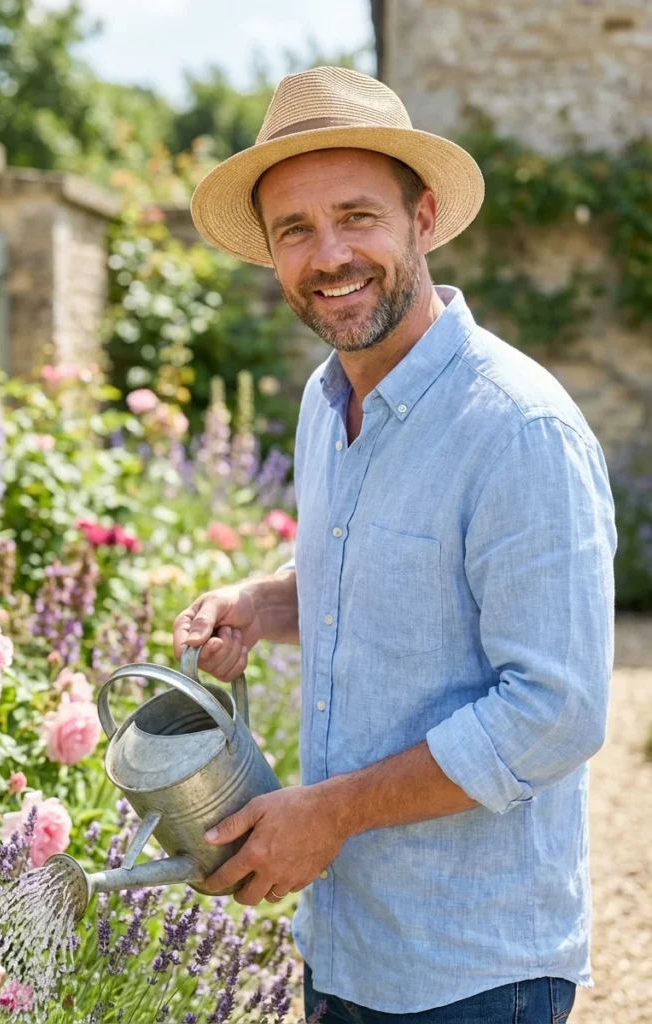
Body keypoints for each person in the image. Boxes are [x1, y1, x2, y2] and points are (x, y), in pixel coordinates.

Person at [173, 66, 617, 1022]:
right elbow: (382, 576)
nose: (328, 254)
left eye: (356, 215)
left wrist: (325, 815)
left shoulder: (517, 428)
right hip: (346, 941)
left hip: (473, 966)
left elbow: (557, 709)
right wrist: (263, 603)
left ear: (423, 218)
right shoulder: (325, 399)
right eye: (295, 229)